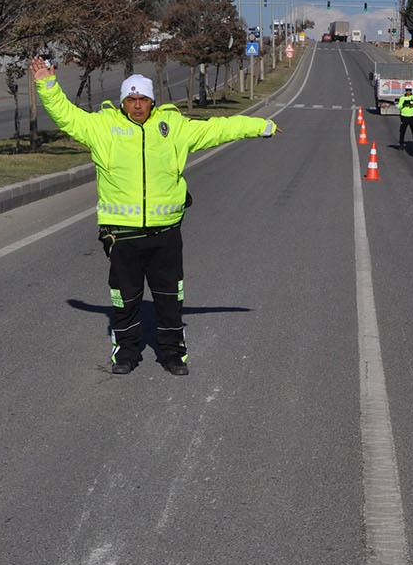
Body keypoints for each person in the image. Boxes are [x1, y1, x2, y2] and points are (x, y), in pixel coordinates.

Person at [31, 57, 280, 376]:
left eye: (143, 100)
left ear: (152, 101)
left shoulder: (173, 128)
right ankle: (126, 354)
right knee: (124, 301)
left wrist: (261, 126)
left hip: (165, 235)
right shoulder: (102, 128)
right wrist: (47, 85)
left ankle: (173, 355)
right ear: (122, 102)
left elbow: (220, 128)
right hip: (122, 235)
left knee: (169, 300)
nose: (137, 106)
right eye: (131, 100)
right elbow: (66, 116)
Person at [397, 85, 413, 149]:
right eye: (407, 90)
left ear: (411, 91)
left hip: (412, 117)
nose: (408, 92)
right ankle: (401, 144)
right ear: (405, 90)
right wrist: (404, 104)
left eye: (409, 90)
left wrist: (412, 104)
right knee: (402, 131)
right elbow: (399, 106)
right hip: (404, 116)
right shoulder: (402, 98)